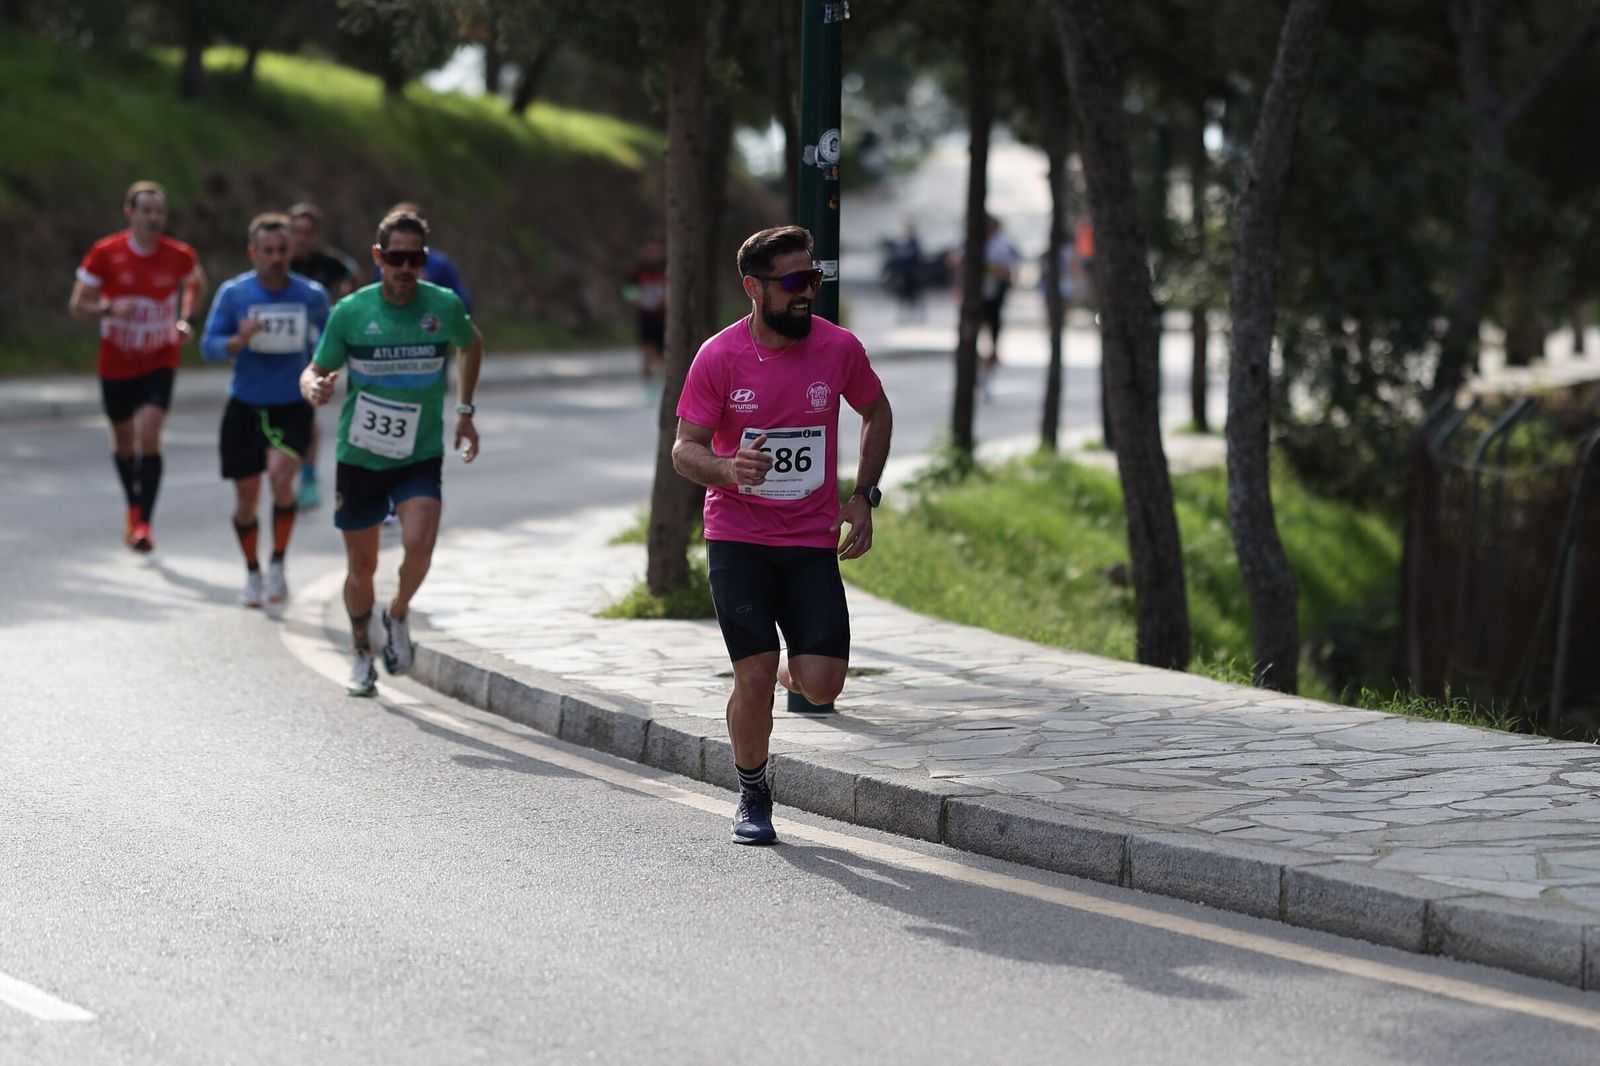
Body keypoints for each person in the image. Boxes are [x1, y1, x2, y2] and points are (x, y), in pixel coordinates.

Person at [672, 225, 893, 845]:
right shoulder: (719, 356)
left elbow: (876, 411)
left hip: (809, 540)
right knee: (752, 673)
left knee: (821, 685)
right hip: (738, 538)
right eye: (794, 282)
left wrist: (863, 496)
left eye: (814, 280)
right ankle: (752, 790)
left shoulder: (838, 347)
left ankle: (777, 673)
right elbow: (684, 451)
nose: (807, 294)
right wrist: (726, 469)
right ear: (753, 287)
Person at [300, 208, 482, 698]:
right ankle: (361, 654)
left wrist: (464, 410)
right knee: (361, 569)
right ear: (378, 257)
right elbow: (314, 369)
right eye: (396, 257)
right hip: (360, 455)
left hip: (418, 453)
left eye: (415, 258)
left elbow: (471, 344)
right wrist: (315, 387)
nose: (405, 268)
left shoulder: (440, 305)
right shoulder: (352, 311)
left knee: (420, 544)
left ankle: (398, 612)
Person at [69, 180, 208, 553]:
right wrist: (109, 308)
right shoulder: (106, 253)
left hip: (159, 358)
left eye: (159, 211)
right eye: (145, 210)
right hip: (115, 361)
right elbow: (78, 305)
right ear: (130, 213)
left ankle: (145, 522)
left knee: (150, 434)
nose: (153, 218)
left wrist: (184, 319)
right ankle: (132, 507)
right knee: (124, 443)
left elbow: (195, 283)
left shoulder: (179, 254)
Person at [202, 213, 331, 607]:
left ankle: (277, 563)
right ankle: (252, 572)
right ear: (253, 252)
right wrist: (237, 341)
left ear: (291, 250)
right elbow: (208, 347)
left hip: (291, 404)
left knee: (279, 479)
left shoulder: (310, 295)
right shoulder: (235, 294)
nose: (275, 258)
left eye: (282, 250)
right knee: (246, 499)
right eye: (268, 251)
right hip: (245, 405)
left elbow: (330, 338)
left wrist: (324, 370)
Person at [287, 202, 361, 513]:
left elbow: (354, 276)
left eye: (307, 233)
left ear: (315, 235)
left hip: (312, 348)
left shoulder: (327, 264)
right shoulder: (279, 259)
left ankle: (307, 477)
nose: (301, 239)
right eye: (296, 232)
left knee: (306, 414)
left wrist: (345, 305)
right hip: (279, 351)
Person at [625, 238, 667, 389]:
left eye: (655, 249)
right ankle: (648, 386)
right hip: (646, 317)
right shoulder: (638, 271)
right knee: (647, 352)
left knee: (663, 355)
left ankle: (663, 382)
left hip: (664, 317)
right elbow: (628, 290)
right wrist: (635, 299)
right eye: (649, 250)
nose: (652, 253)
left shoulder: (667, 268)